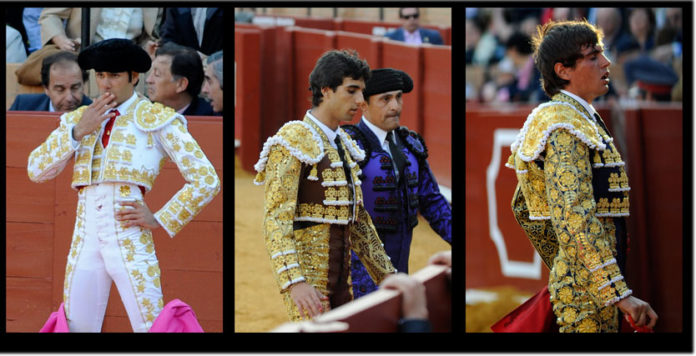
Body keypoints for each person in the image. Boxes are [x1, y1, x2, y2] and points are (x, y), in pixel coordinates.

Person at [26, 38, 220, 332]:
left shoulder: (157, 119)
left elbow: (206, 179)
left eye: (114, 76)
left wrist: (160, 217)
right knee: (76, 329)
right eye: (100, 75)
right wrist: (77, 132)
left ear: (134, 77)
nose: (105, 84)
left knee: (150, 326)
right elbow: (36, 170)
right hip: (85, 237)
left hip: (130, 238)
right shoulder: (79, 120)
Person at [506, 20, 657, 332]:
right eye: (592, 57)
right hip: (590, 296)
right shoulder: (564, 127)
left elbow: (524, 207)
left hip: (590, 285)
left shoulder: (575, 118)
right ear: (563, 70)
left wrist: (566, 264)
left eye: (601, 53)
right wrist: (616, 292)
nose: (606, 63)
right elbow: (573, 217)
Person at [253, 49, 396, 322]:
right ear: (326, 90)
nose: (360, 101)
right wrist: (294, 281)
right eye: (351, 91)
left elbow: (359, 221)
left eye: (362, 92)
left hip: (343, 277)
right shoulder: (293, 139)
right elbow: (276, 218)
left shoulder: (344, 143)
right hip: (309, 280)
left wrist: (387, 275)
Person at [341, 68, 451, 298]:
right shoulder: (347, 146)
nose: (395, 106)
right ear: (363, 104)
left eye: (398, 97)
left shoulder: (409, 145)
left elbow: (432, 202)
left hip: (401, 266)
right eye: (385, 99)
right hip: (357, 274)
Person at [38, 8, 161, 55]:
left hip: (131, 64)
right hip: (84, 58)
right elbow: (50, 15)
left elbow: (157, 33)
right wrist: (61, 40)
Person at [146, 42, 215, 116]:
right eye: (151, 72)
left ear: (181, 84)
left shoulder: (208, 118)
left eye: (157, 74)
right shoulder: (143, 112)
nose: (148, 80)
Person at [10, 51, 92, 112]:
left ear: (83, 85)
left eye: (75, 88)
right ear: (46, 88)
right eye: (60, 90)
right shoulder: (23, 106)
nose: (69, 98)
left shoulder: (94, 113)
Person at [159, 7, 223, 58]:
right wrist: (188, 56)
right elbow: (167, 40)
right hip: (182, 66)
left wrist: (209, 60)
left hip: (217, 69)